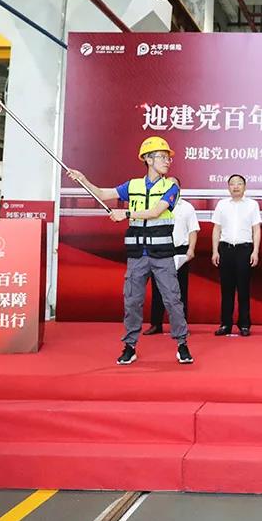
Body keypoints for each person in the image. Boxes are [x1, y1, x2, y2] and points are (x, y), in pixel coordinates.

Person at [68, 136, 192, 366]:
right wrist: (83, 180)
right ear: (148, 159)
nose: (167, 161)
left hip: (163, 255)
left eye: (168, 158)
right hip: (137, 255)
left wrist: (125, 214)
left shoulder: (171, 187)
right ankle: (130, 346)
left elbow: (156, 212)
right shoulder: (132, 186)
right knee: (132, 301)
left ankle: (182, 344)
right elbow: (102, 194)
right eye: (162, 157)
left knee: (173, 300)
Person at [144, 180, 199, 336]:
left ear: (179, 188)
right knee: (157, 289)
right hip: (159, 249)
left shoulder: (187, 207)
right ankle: (156, 324)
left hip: (180, 251)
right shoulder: (157, 205)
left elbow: (193, 230)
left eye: (174, 185)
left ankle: (181, 326)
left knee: (180, 291)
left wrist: (191, 249)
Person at [211, 174, 261, 336]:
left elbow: (256, 230)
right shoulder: (222, 204)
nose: (236, 186)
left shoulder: (252, 205)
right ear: (228, 187)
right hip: (225, 249)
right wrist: (215, 251)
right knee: (226, 289)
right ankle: (225, 324)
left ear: (244, 187)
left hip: (244, 250)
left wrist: (255, 251)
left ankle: (244, 324)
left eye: (239, 183)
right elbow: (216, 229)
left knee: (244, 289)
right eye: (232, 184)